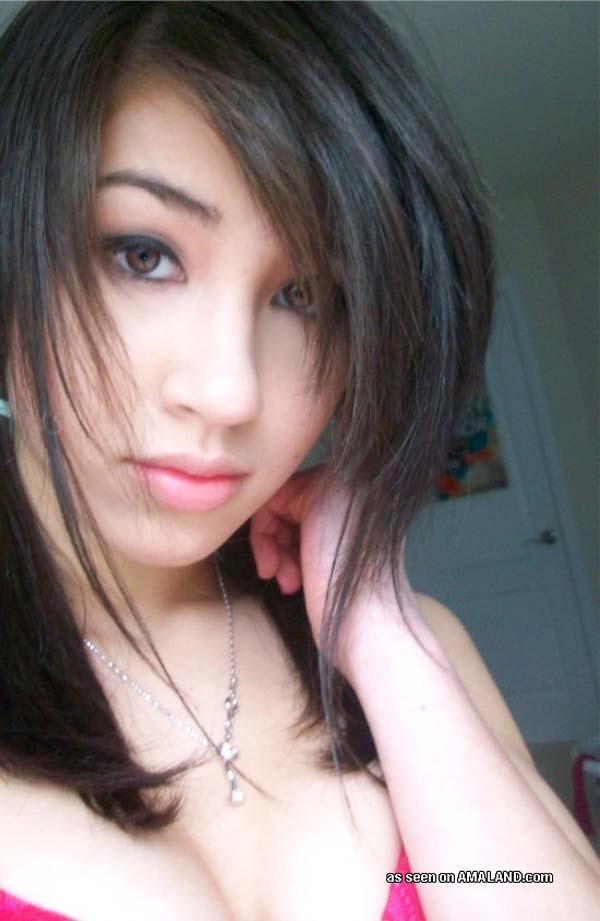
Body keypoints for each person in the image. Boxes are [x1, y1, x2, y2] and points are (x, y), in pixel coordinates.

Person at [0, 2, 598, 920]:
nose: (232, 390)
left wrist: (377, 626)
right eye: (143, 255)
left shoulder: (408, 644)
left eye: (307, 295)